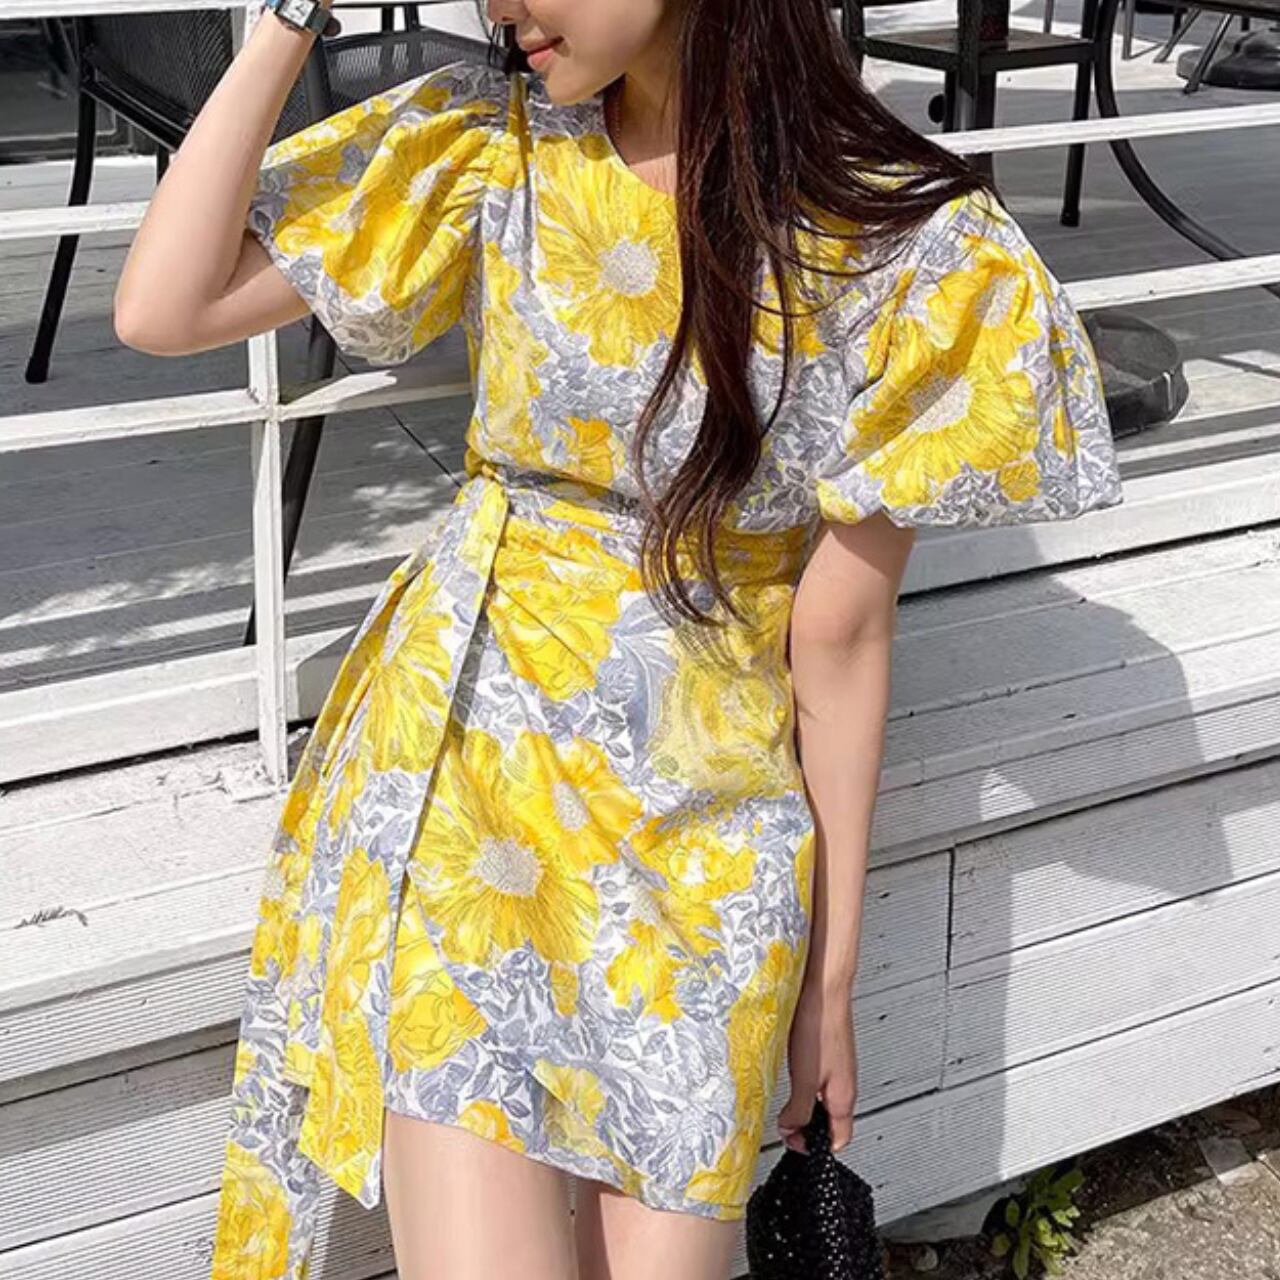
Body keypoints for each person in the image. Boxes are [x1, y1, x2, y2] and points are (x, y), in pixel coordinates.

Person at [114, 0, 1124, 1277]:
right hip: (471, 778)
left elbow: (839, 637)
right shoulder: (491, 145)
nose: (496, 7)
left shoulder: (912, 245)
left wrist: (825, 988)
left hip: (704, 828)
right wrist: (285, 20)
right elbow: (164, 305)